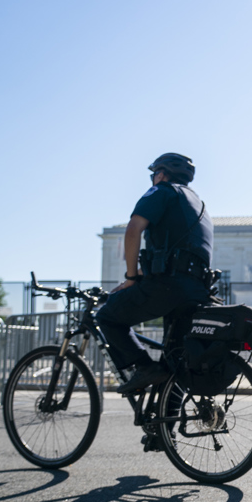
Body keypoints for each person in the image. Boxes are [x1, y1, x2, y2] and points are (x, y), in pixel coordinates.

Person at [97, 153, 213, 399]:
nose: (153, 179)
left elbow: (133, 229)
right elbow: (176, 257)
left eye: (153, 175)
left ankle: (144, 367)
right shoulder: (199, 205)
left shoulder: (161, 191)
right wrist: (141, 272)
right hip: (196, 289)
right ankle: (162, 434)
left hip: (168, 286)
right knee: (174, 361)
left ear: (161, 174)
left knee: (107, 316)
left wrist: (131, 278)